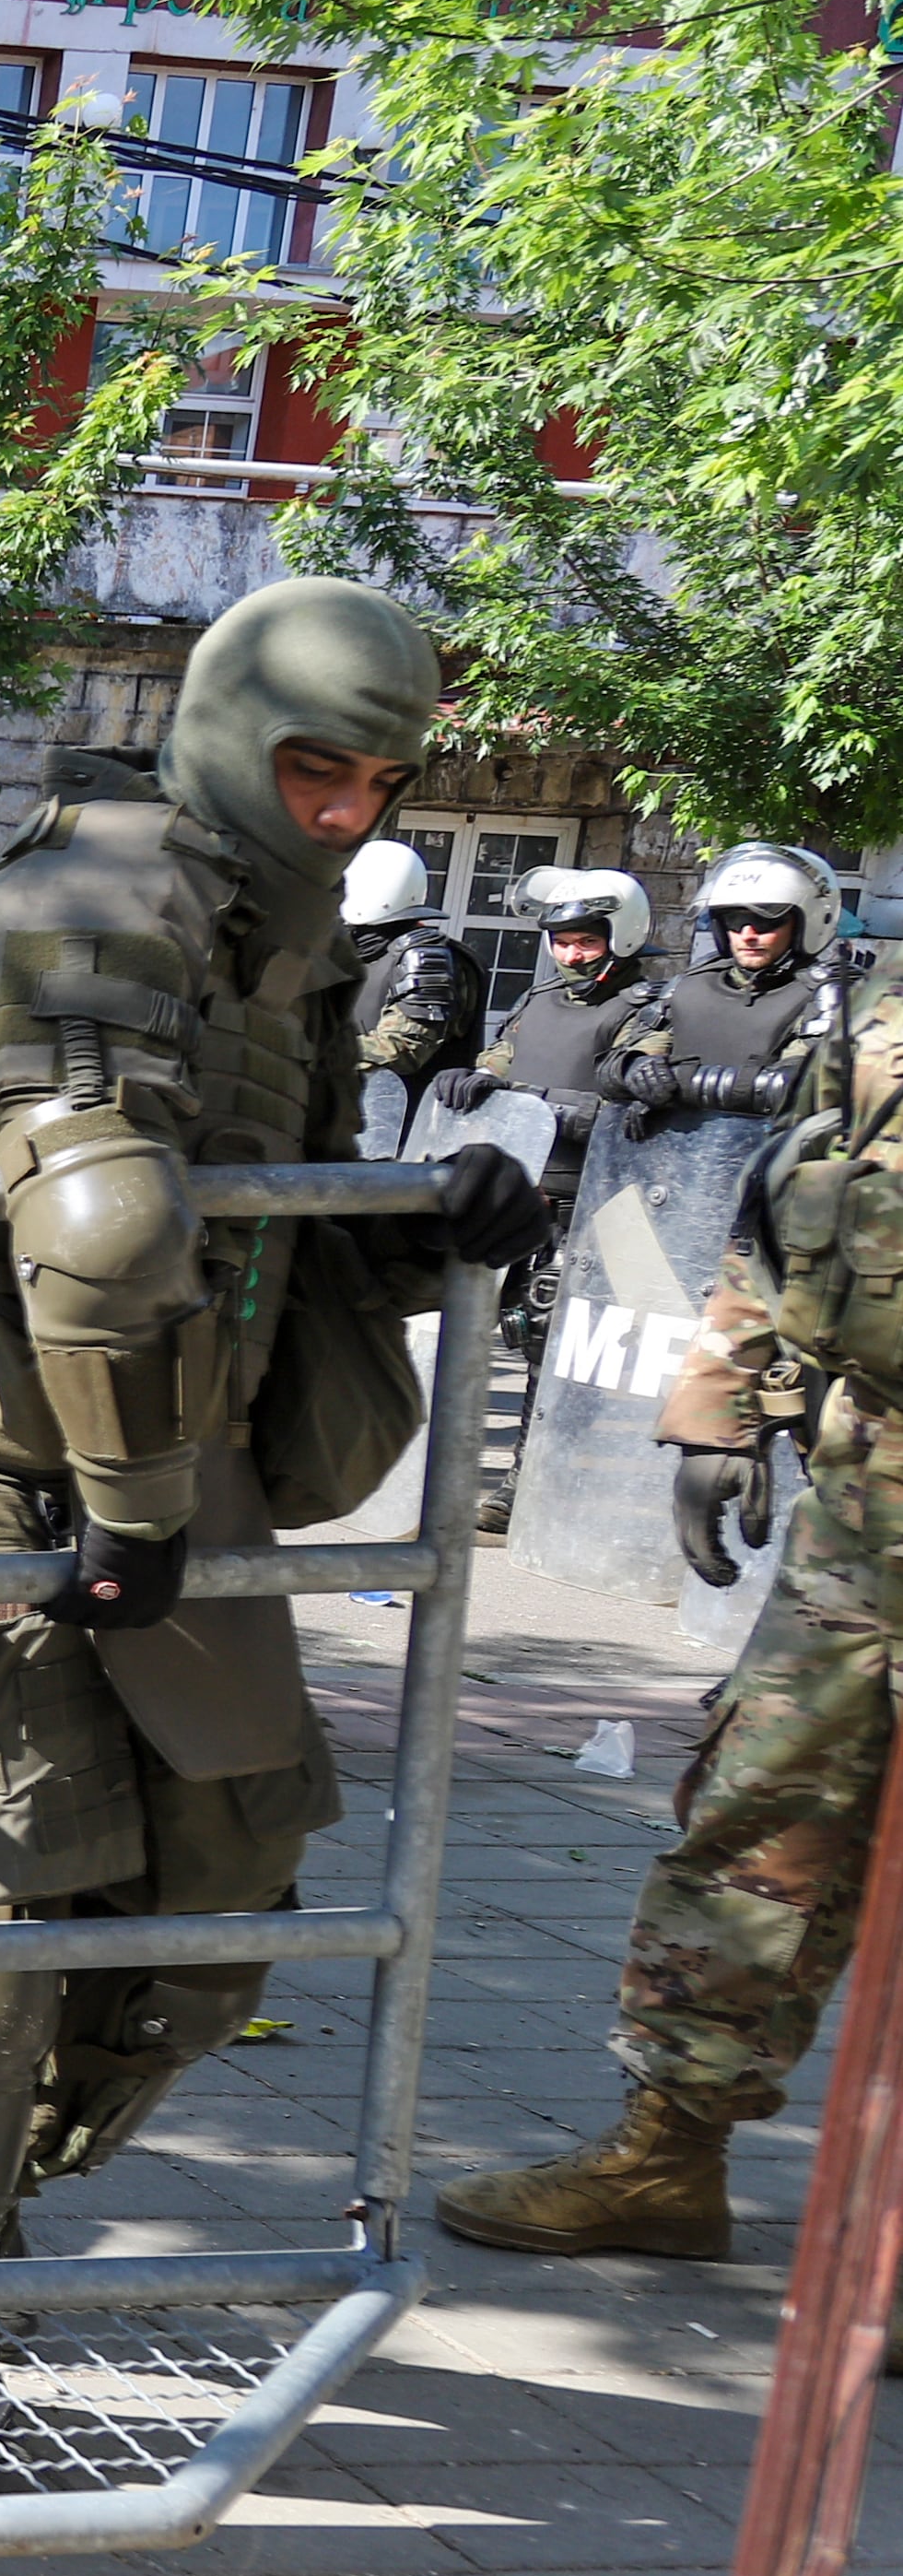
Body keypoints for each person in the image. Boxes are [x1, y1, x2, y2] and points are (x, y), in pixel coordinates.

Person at [0, 578, 543, 2291]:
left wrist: (424, 1211)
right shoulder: (109, 893)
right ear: (236, 733)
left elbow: (250, 1205)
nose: (347, 809)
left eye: (379, 782)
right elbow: (99, 1224)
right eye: (318, 769)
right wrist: (141, 1515)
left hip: (157, 1455)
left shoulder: (268, 927)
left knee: (227, 1879)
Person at [431, 918, 903, 2261]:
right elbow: (789, 1191)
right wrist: (721, 1405)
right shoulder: (886, 1010)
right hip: (865, 1508)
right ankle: (665, 2154)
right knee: (755, 1819)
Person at [437, 865, 666, 1529]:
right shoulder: (537, 1001)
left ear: (618, 938)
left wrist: (539, 1106)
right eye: (561, 940)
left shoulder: (648, 1008)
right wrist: (474, 1078)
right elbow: (502, 1058)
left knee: (553, 1342)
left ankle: (526, 1480)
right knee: (469, 1322)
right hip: (519, 1189)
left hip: (594, 1201)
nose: (571, 953)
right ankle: (444, 1465)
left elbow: (628, 1093)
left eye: (585, 941)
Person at [604, 843, 849, 1135]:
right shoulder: (690, 984)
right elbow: (620, 1062)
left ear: (804, 921)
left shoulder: (825, 993)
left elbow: (795, 1084)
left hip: (763, 1160)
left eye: (765, 921)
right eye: (735, 921)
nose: (748, 935)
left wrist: (677, 1082)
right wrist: (637, 1068)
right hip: (668, 1160)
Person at [343, 838, 487, 1112]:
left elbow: (403, 1048)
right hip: (350, 1110)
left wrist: (311, 1050)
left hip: (408, 1126)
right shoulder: (352, 951)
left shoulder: (423, 957)